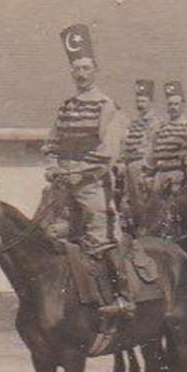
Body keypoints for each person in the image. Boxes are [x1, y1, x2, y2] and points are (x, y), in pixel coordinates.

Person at [42, 24, 133, 318]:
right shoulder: (65, 107)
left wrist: (78, 173)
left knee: (101, 236)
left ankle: (122, 296)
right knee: (43, 233)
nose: (81, 73)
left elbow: (108, 152)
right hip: (62, 186)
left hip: (92, 185)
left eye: (86, 67)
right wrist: (53, 167)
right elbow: (51, 143)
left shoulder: (108, 107)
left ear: (95, 69)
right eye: (76, 68)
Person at [144, 80, 187, 194]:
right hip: (159, 176)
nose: (173, 107)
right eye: (170, 104)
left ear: (183, 105)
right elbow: (152, 154)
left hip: (178, 175)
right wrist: (147, 175)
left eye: (176, 104)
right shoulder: (161, 129)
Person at [116, 78, 155, 215]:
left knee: (142, 200)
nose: (140, 104)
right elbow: (125, 144)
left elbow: (152, 147)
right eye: (138, 101)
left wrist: (146, 169)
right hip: (129, 165)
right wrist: (121, 161)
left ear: (150, 102)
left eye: (143, 101)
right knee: (130, 201)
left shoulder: (154, 123)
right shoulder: (133, 123)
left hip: (141, 165)